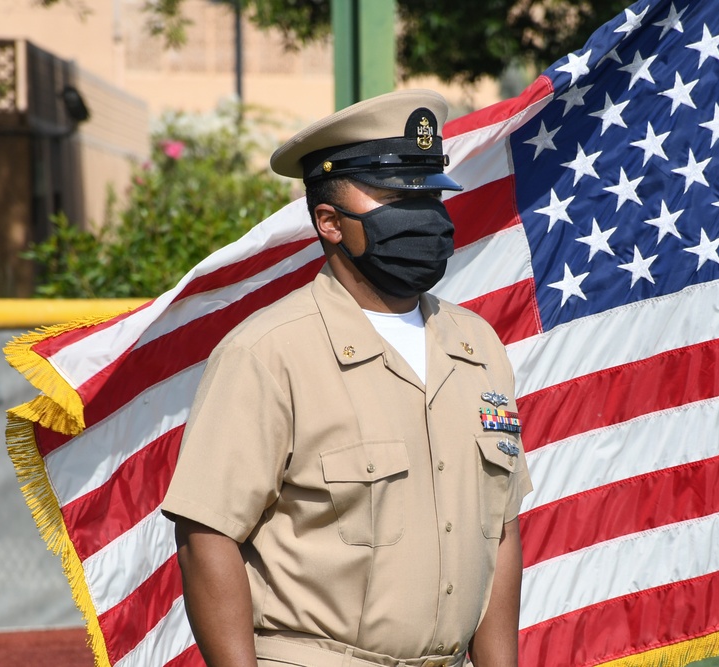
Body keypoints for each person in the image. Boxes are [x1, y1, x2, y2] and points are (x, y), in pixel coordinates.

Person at [161, 89, 532, 667]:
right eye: (394, 198)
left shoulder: (477, 345)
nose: (425, 216)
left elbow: (500, 530)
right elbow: (207, 536)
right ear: (329, 221)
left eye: (431, 195)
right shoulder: (269, 352)